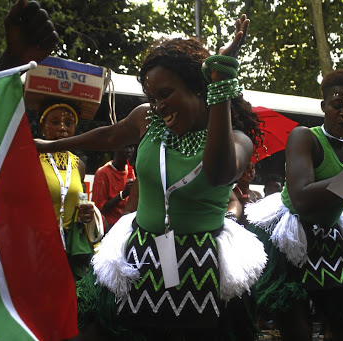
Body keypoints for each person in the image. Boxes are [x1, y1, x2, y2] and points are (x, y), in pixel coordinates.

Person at [37, 15, 267, 339]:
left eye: (166, 93)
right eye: (153, 95)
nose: (158, 105)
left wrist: (220, 88)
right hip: (139, 251)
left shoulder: (236, 140)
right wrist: (50, 144)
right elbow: (106, 137)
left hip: (200, 265)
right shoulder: (148, 119)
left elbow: (218, 174)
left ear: (198, 87)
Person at [245, 69, 343, 340]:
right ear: (324, 107)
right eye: (337, 105)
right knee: (297, 332)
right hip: (292, 238)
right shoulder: (305, 137)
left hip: (333, 237)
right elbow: (303, 198)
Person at [38, 102, 96, 281]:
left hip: (70, 248)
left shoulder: (78, 165)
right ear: (43, 128)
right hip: (38, 246)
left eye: (68, 123)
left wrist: (86, 210)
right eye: (55, 122)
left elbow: (82, 197)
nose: (62, 127)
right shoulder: (32, 158)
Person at [92, 146, 136, 227]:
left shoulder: (130, 171)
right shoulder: (103, 173)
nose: (128, 151)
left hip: (125, 225)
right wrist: (122, 194)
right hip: (109, 226)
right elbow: (98, 210)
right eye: (125, 146)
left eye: (130, 147)